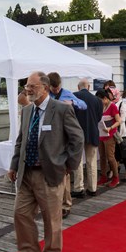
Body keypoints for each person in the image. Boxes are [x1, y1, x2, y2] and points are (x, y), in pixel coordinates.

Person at [7, 72, 83, 252]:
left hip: (49, 174)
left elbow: (77, 139)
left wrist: (69, 165)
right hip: (26, 172)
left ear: (46, 88)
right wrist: (14, 165)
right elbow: (20, 141)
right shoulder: (27, 110)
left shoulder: (61, 110)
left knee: (51, 219)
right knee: (20, 215)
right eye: (26, 87)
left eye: (32, 86)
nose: (27, 90)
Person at [48, 71, 87, 218]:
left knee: (64, 173)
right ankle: (56, 203)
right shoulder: (47, 95)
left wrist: (73, 103)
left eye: (58, 88)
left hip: (64, 135)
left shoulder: (67, 94)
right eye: (54, 88)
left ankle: (66, 204)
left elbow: (83, 105)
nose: (56, 90)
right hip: (51, 137)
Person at [71, 78, 102, 201]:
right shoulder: (97, 100)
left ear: (79, 87)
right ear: (89, 87)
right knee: (92, 161)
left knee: (78, 162)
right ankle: (92, 188)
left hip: (77, 133)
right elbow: (99, 117)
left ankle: (79, 188)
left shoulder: (74, 97)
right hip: (93, 132)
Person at [96, 88, 121, 189]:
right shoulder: (100, 106)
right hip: (101, 134)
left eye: (100, 100)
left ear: (105, 98)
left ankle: (116, 177)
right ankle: (103, 176)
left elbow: (118, 121)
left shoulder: (113, 106)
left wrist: (110, 128)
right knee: (102, 157)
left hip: (110, 135)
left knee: (110, 157)